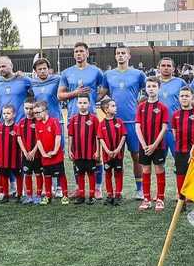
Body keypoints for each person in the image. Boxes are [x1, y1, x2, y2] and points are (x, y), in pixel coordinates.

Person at [58, 42, 106, 196]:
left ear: (87, 53)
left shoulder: (96, 71)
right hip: (73, 116)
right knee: (76, 153)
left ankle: (97, 188)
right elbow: (60, 95)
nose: (79, 54)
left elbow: (104, 88)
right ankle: (80, 189)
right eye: (76, 51)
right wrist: (76, 93)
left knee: (95, 153)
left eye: (81, 51)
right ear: (74, 54)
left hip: (91, 116)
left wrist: (93, 98)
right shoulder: (66, 73)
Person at [102, 45, 147, 199]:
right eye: (118, 53)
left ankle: (140, 189)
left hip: (133, 122)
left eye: (123, 53)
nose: (120, 56)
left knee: (137, 156)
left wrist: (140, 104)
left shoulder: (138, 74)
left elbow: (149, 90)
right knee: (115, 157)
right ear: (115, 56)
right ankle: (114, 191)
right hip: (114, 123)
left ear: (129, 56)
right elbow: (101, 94)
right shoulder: (108, 74)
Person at [135, 77, 169, 212]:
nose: (151, 89)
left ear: (159, 88)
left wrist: (154, 145)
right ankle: (147, 199)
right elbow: (137, 126)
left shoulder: (163, 108)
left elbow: (164, 128)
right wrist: (144, 145)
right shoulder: (141, 107)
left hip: (158, 146)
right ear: (145, 89)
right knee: (146, 170)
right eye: (149, 86)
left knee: (159, 169)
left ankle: (160, 199)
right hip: (144, 146)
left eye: (154, 86)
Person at [171, 87, 194, 211]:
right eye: (182, 96)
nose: (184, 98)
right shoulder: (175, 115)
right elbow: (174, 133)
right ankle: (182, 201)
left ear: (192, 97)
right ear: (179, 98)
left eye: (187, 96)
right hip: (180, 151)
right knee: (180, 175)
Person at [35, 101, 69, 205]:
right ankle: (48, 196)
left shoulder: (54, 121)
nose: (36, 115)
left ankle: (65, 196)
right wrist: (43, 154)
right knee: (47, 176)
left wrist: (55, 151)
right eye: (35, 113)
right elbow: (38, 141)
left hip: (56, 156)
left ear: (45, 111)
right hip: (45, 157)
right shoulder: (37, 125)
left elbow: (58, 137)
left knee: (61, 175)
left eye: (38, 112)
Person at [68, 96, 100, 205]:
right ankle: (81, 196)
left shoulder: (94, 119)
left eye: (85, 102)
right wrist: (69, 150)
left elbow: (97, 136)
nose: (82, 104)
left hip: (90, 153)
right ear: (77, 104)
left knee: (91, 174)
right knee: (80, 174)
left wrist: (97, 151)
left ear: (89, 104)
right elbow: (71, 136)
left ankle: (91, 196)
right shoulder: (73, 119)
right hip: (78, 153)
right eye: (80, 102)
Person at [98, 98, 126, 205]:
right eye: (113, 106)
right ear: (106, 109)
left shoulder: (119, 122)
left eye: (115, 105)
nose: (116, 108)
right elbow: (101, 139)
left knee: (118, 173)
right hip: (107, 155)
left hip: (118, 154)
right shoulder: (101, 124)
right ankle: (110, 195)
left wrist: (118, 149)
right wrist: (108, 151)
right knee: (108, 174)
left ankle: (118, 194)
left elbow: (123, 136)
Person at [157, 57, 186, 158]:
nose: (166, 68)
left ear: (173, 69)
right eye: (163, 65)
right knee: (159, 162)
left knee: (180, 159)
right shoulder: (153, 83)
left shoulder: (180, 82)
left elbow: (189, 99)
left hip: (176, 128)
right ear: (158, 68)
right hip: (158, 129)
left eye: (169, 66)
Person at [17, 100, 43, 204]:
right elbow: (19, 139)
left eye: (31, 108)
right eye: (26, 108)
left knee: (38, 174)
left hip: (37, 155)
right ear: (23, 108)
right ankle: (29, 195)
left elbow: (40, 138)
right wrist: (25, 152)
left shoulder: (38, 122)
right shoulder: (21, 122)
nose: (29, 111)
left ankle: (39, 195)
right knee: (27, 174)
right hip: (26, 155)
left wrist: (33, 151)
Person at [0, 105, 23, 202]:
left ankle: (19, 194)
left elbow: (20, 143)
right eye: (4, 113)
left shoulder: (17, 127)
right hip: (3, 158)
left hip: (15, 158)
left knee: (18, 176)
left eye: (8, 113)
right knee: (4, 176)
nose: (5, 115)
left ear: (14, 114)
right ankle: (6, 195)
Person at [0, 56, 33, 121]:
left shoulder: (23, 79)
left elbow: (37, 84)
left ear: (11, 66)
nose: (1, 69)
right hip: (3, 124)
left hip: (20, 123)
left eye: (3, 66)